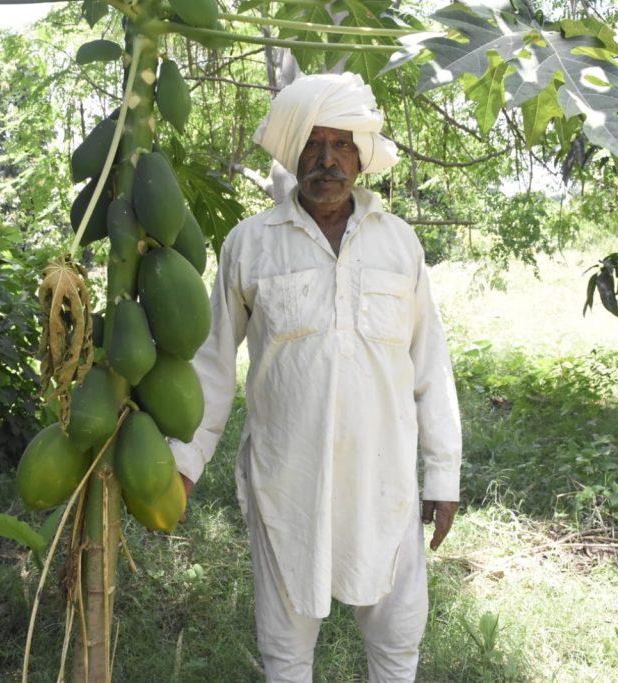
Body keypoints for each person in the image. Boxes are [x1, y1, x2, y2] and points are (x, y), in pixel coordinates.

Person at [168, 72, 462, 683]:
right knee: (285, 652)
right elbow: (213, 364)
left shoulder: (399, 244)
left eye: (341, 144)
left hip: (385, 482)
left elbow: (430, 364)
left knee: (397, 643)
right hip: (288, 483)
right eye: (313, 144)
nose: (326, 160)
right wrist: (181, 465)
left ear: (360, 156)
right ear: (293, 152)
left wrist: (443, 474)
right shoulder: (250, 245)